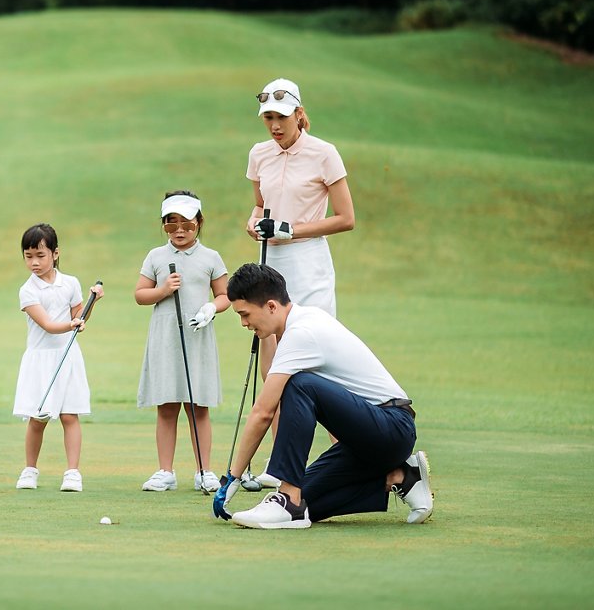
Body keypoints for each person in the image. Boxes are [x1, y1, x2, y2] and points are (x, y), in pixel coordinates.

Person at [220, 263, 433, 529]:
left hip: (391, 428)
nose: (243, 323)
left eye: (245, 314)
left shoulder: (302, 333)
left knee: (300, 384)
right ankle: (401, 475)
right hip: (367, 441)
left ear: (272, 306)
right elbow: (270, 381)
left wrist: (233, 477)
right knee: (308, 505)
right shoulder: (297, 325)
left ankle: (287, 498)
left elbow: (264, 409)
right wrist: (265, 333)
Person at [244, 77, 355, 487]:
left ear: (298, 114)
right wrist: (254, 223)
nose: (274, 125)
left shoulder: (324, 153)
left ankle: (351, 457)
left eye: (281, 117)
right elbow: (259, 205)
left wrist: (294, 229)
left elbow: (345, 218)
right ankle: (279, 468)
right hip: (271, 265)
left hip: (309, 264)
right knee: (273, 363)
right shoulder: (259, 155)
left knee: (318, 365)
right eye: (268, 118)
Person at [134, 191, 231, 493]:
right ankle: (166, 471)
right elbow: (140, 295)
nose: (179, 230)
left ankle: (204, 471)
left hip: (197, 336)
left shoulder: (210, 257)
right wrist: (163, 290)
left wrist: (211, 308)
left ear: (199, 223)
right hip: (166, 338)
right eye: (170, 223)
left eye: (187, 224)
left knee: (197, 406)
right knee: (166, 406)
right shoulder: (156, 256)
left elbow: (226, 295)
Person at [12, 223, 103, 492]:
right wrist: (73, 324)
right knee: (37, 418)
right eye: (29, 256)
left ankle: (72, 473)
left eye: (40, 255)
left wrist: (92, 301)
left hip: (68, 356)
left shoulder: (70, 283)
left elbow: (80, 316)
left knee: (69, 415)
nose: (34, 262)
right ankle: (30, 471)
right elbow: (50, 325)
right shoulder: (27, 290)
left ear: (55, 253)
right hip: (40, 359)